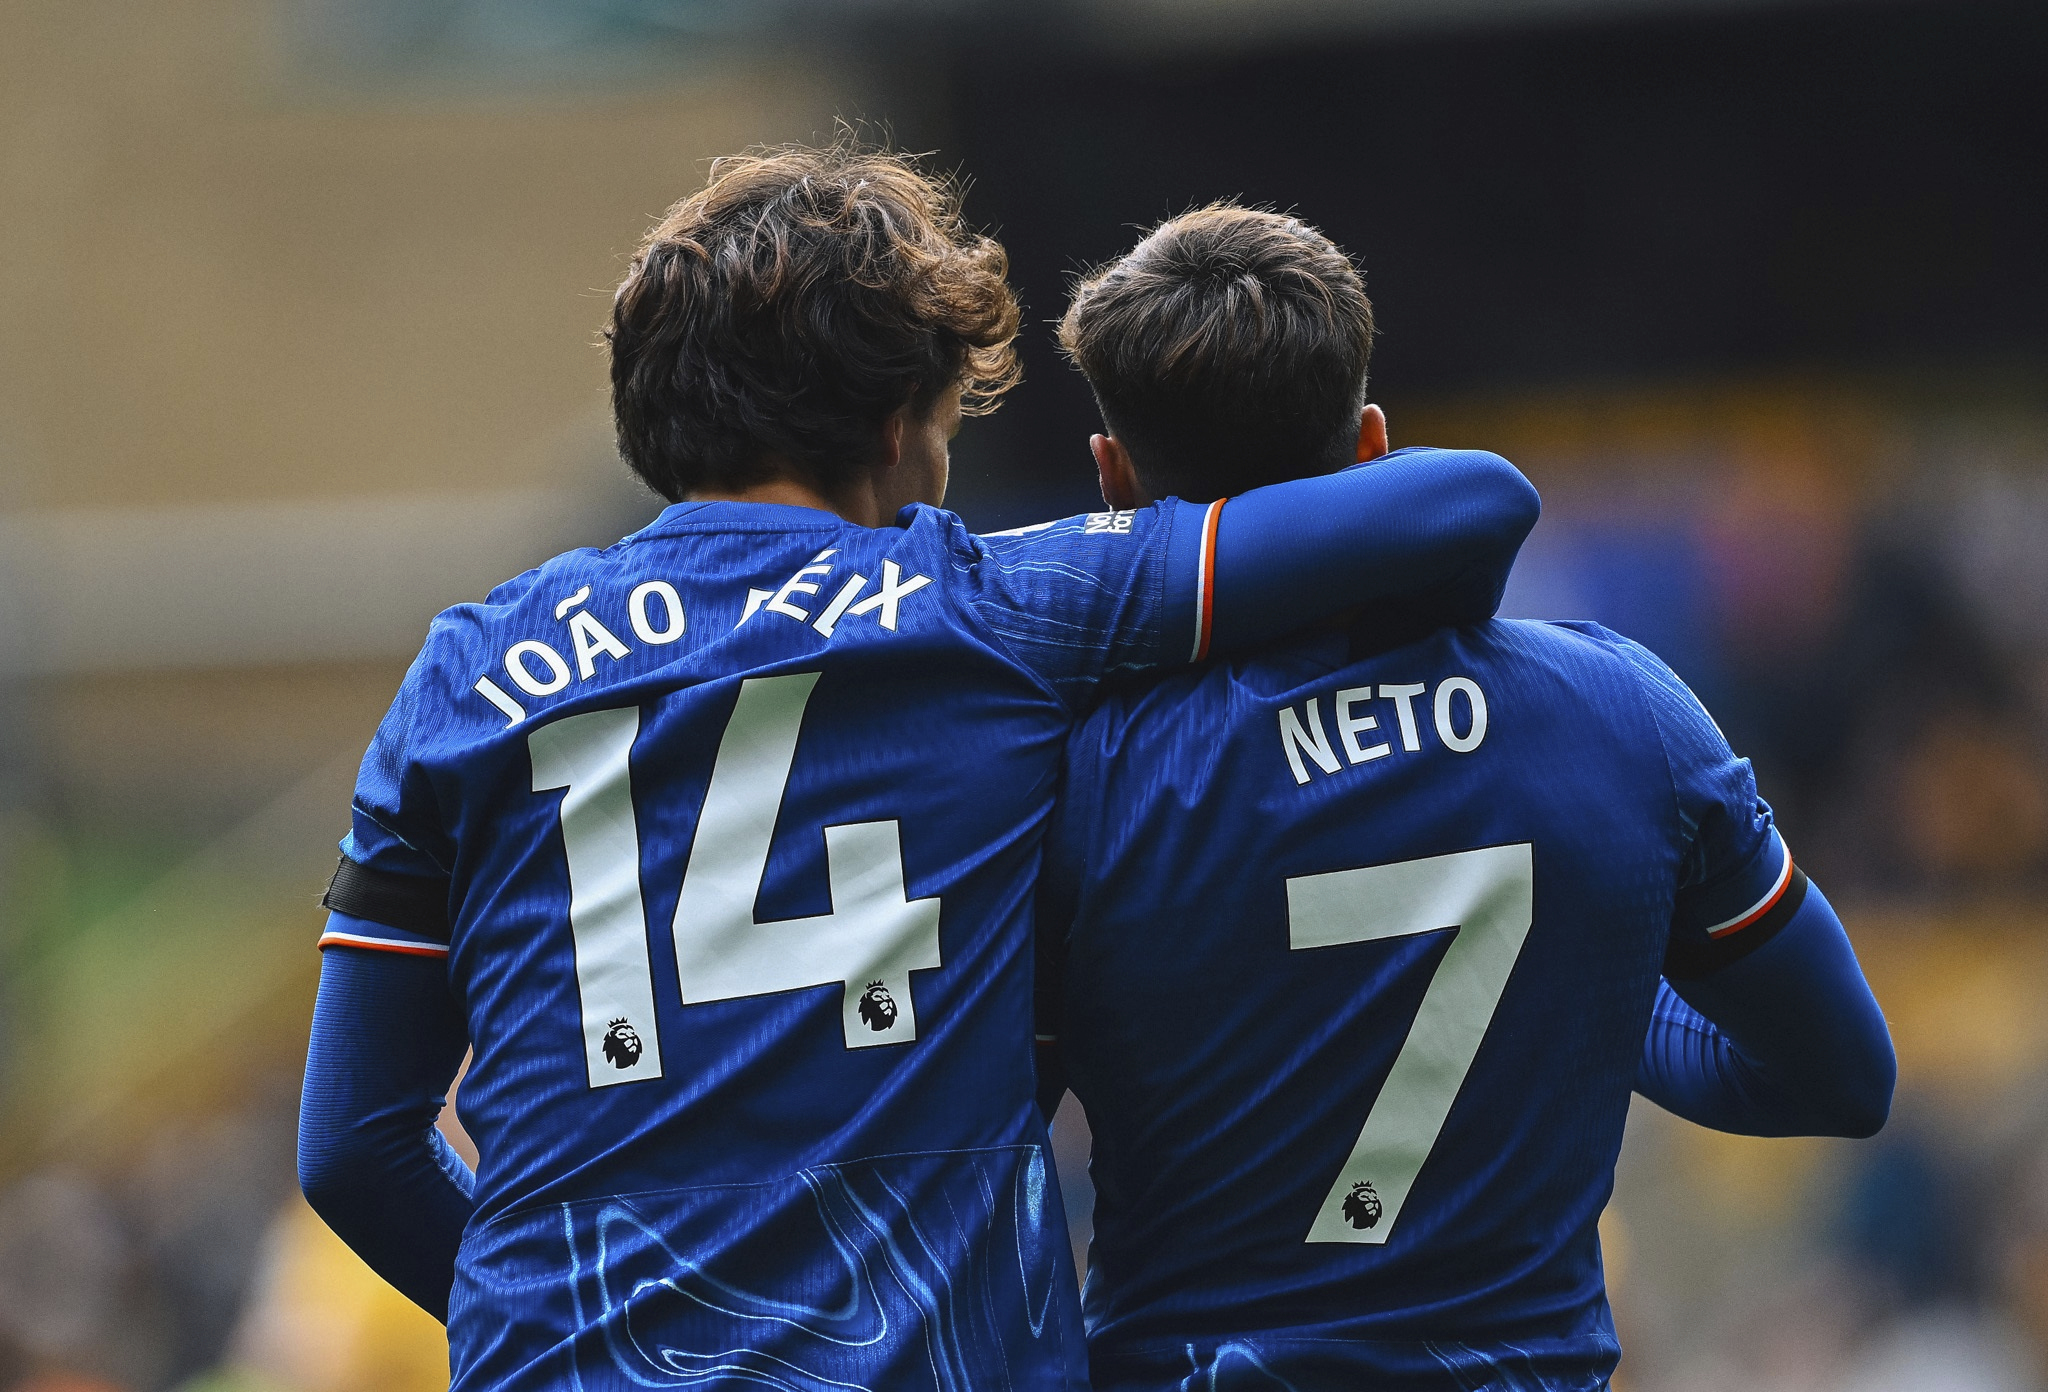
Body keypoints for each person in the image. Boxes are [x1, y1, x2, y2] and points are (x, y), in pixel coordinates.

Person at [293, 147, 1542, 1392]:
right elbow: (1466, 503)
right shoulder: (988, 610)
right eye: (945, 428)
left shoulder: (463, 672)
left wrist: (582, 1334)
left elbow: (351, 1147)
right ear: (895, 423)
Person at [1035, 204, 1896, 1392]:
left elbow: (976, 1149)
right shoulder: (1623, 714)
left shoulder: (1072, 779)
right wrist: (1600, 991)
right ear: (1374, 444)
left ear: (1112, 477)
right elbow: (1839, 1077)